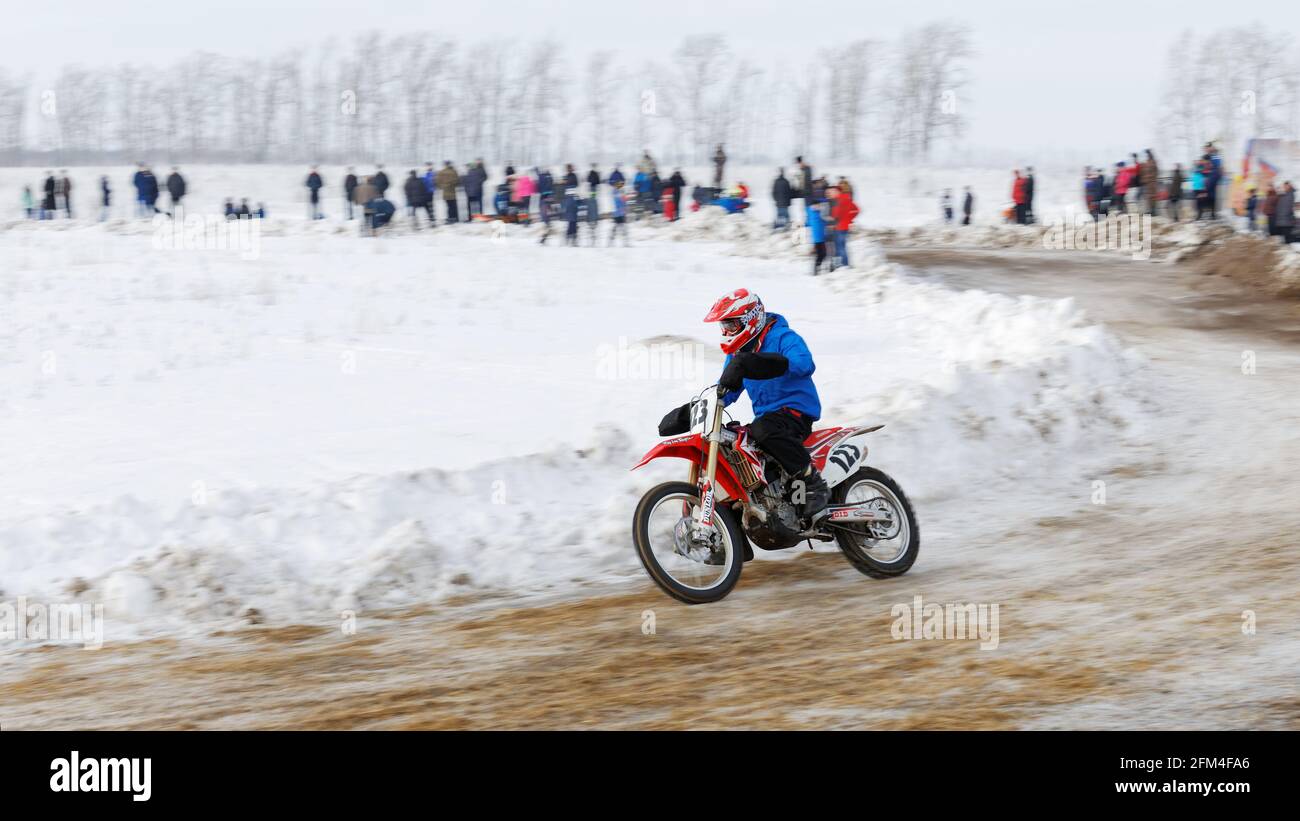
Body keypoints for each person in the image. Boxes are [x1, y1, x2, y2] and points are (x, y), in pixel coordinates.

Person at [691, 289, 829, 518]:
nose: (727, 332)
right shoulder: (738, 353)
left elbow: (804, 364)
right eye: (724, 326)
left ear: (750, 319)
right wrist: (693, 409)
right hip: (768, 419)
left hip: (795, 414)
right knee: (734, 441)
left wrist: (759, 363)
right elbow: (727, 389)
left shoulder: (783, 337)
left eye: (732, 325)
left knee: (763, 429)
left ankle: (812, 483)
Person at [831, 186, 859, 268]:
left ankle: (845, 265)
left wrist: (848, 219)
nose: (832, 193)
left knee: (841, 247)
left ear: (838, 191)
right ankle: (840, 265)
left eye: (833, 191)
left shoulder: (843, 199)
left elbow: (856, 210)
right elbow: (855, 210)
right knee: (838, 247)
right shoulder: (839, 199)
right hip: (838, 227)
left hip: (841, 227)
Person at [808, 195, 829, 275]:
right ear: (812, 206)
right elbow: (823, 220)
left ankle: (817, 268)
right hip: (818, 238)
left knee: (822, 254)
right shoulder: (815, 214)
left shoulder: (817, 213)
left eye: (818, 205)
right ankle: (816, 268)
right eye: (816, 205)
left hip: (821, 237)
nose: (817, 206)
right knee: (822, 254)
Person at [609, 180, 629, 246]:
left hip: (621, 213)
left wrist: (625, 208)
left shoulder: (621, 192)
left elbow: (624, 201)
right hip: (617, 213)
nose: (621, 186)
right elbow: (617, 202)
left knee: (623, 228)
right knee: (616, 227)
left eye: (622, 185)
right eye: (620, 184)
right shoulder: (615, 192)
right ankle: (611, 242)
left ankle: (625, 242)